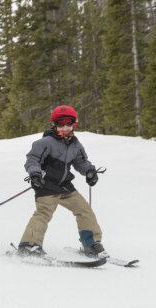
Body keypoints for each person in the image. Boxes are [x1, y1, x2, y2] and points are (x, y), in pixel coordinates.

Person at [18, 105, 105, 258]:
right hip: (46, 185)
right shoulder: (45, 142)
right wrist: (35, 175)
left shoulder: (75, 144)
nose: (65, 127)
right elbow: (32, 159)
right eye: (61, 124)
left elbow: (81, 162)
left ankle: (91, 243)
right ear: (55, 125)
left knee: (84, 210)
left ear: (74, 124)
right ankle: (29, 245)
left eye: (68, 124)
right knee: (44, 213)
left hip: (64, 185)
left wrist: (90, 172)